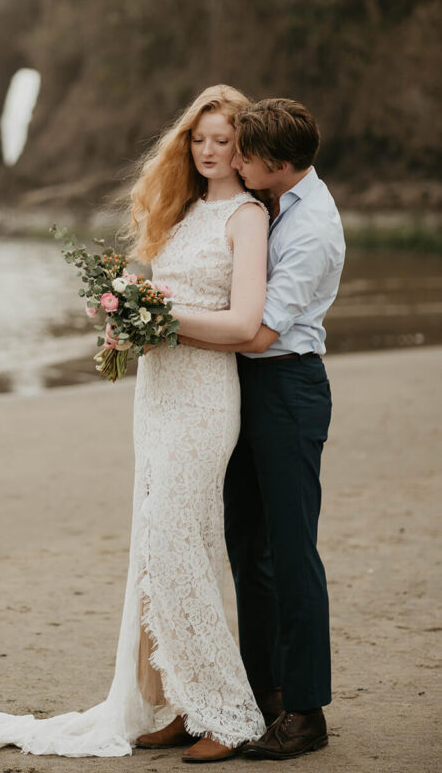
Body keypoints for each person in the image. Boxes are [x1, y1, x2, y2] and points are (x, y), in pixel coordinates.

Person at [0, 85, 269, 762]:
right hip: (157, 392)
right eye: (197, 139)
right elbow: (157, 298)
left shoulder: (247, 216)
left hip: (204, 398)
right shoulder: (180, 212)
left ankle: (227, 715)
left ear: (241, 147)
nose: (206, 151)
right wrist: (127, 326)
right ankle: (172, 702)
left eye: (220, 140)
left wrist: (160, 317)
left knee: (179, 543)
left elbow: (241, 324)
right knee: (154, 546)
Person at [179, 98, 346, 759]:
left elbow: (258, 332)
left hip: (287, 386)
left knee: (291, 547)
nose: (232, 159)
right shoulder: (272, 204)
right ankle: (262, 692)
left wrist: (162, 320)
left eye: (242, 152)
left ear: (277, 163)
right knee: (249, 544)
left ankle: (306, 712)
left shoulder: (313, 229)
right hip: (244, 384)